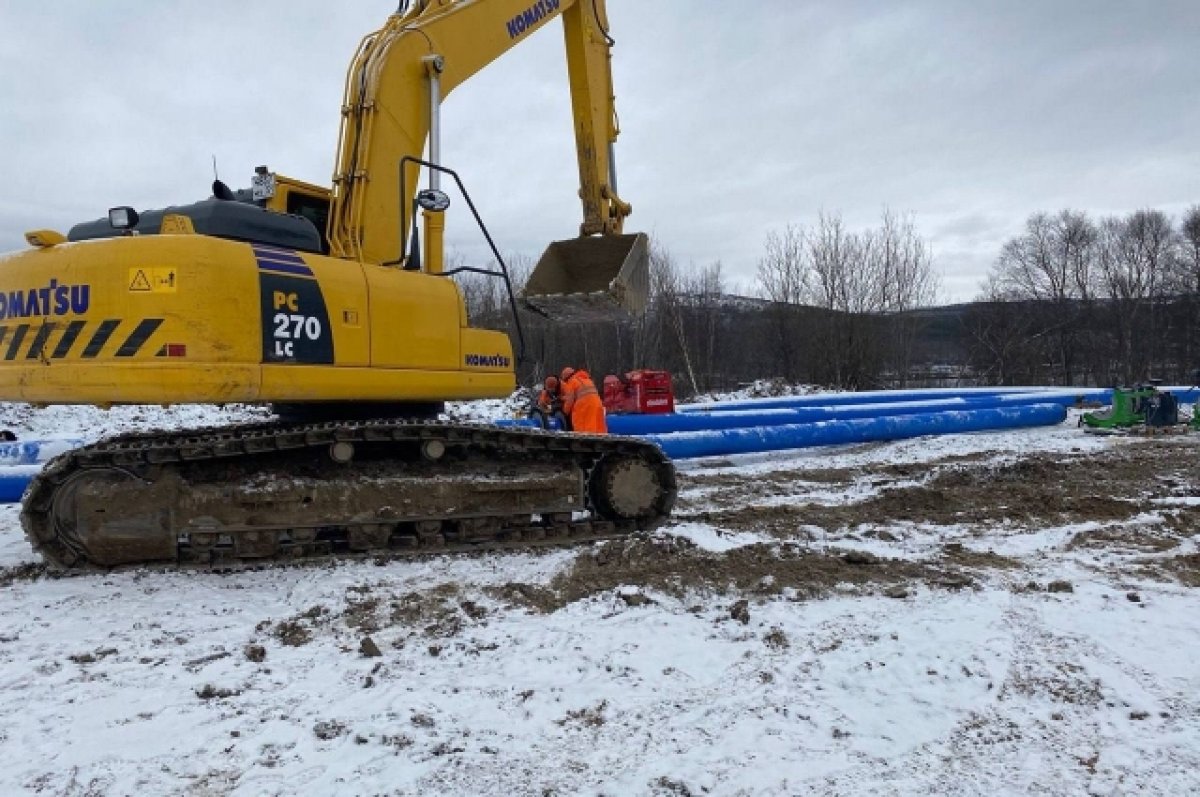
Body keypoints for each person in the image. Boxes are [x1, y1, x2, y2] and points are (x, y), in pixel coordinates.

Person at [559, 366, 607, 434]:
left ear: (566, 377)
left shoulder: (572, 382)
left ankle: (585, 443)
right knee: (597, 428)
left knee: (583, 430)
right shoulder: (587, 380)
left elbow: (569, 401)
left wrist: (564, 413)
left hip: (584, 407)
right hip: (598, 405)